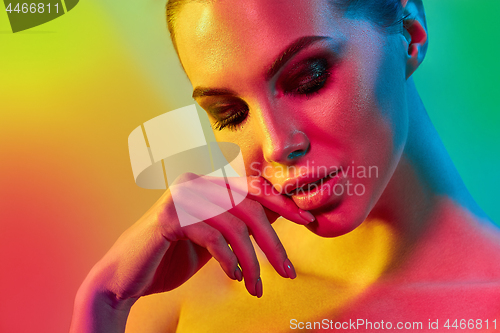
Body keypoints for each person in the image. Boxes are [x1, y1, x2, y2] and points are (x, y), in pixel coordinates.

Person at [70, 0, 500, 332]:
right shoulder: (177, 297)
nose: (277, 145)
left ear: (409, 34)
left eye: (308, 78)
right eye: (230, 113)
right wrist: (103, 301)